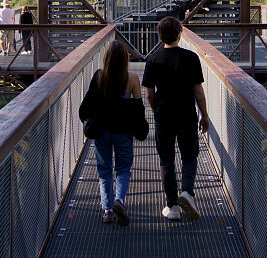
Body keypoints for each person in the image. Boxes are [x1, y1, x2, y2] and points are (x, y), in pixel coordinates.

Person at [142, 15, 210, 221]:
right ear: (179, 34)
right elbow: (198, 91)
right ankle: (187, 192)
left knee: (166, 160)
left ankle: (172, 207)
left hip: (164, 115)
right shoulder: (191, 58)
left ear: (160, 35)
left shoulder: (153, 60)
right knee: (189, 155)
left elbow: (149, 94)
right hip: (187, 114)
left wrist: (156, 110)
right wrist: (204, 115)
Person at [78, 40, 148, 226]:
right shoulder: (132, 78)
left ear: (107, 58)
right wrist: (140, 128)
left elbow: (86, 106)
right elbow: (138, 108)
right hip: (123, 131)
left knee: (104, 170)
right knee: (123, 168)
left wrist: (88, 120)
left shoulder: (99, 77)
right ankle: (119, 200)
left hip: (102, 131)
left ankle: (107, 210)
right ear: (125, 59)